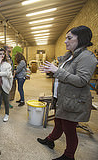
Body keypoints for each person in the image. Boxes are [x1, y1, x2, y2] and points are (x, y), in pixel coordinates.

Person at [38, 26, 97, 160]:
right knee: (59, 122)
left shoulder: (87, 57)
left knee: (69, 130)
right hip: (63, 97)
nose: (65, 41)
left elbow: (82, 80)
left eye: (69, 38)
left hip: (73, 100)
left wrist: (57, 71)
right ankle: (50, 140)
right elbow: (65, 74)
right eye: (65, 38)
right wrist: (52, 71)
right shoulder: (70, 56)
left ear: (80, 39)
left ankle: (69, 156)